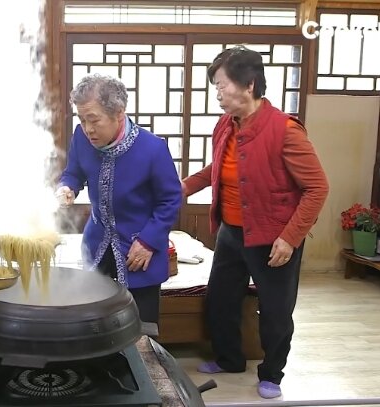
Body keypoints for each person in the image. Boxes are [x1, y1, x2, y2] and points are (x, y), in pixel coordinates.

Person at [181, 46, 329, 399]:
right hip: (231, 231)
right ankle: (230, 358)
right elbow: (217, 170)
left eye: (221, 85)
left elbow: (317, 187)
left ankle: (272, 373)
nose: (217, 93)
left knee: (276, 310)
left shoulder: (285, 130)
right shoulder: (225, 124)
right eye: (214, 86)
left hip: (273, 237)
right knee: (220, 299)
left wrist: (290, 238)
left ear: (248, 85)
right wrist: (185, 186)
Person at [57, 73, 182, 325]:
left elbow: (170, 199)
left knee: (141, 327)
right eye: (81, 119)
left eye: (94, 120)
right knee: (94, 322)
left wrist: (148, 241)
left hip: (138, 248)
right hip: (97, 244)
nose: (88, 129)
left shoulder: (152, 148)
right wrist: (67, 187)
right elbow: (74, 172)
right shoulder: (81, 138)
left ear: (119, 113)